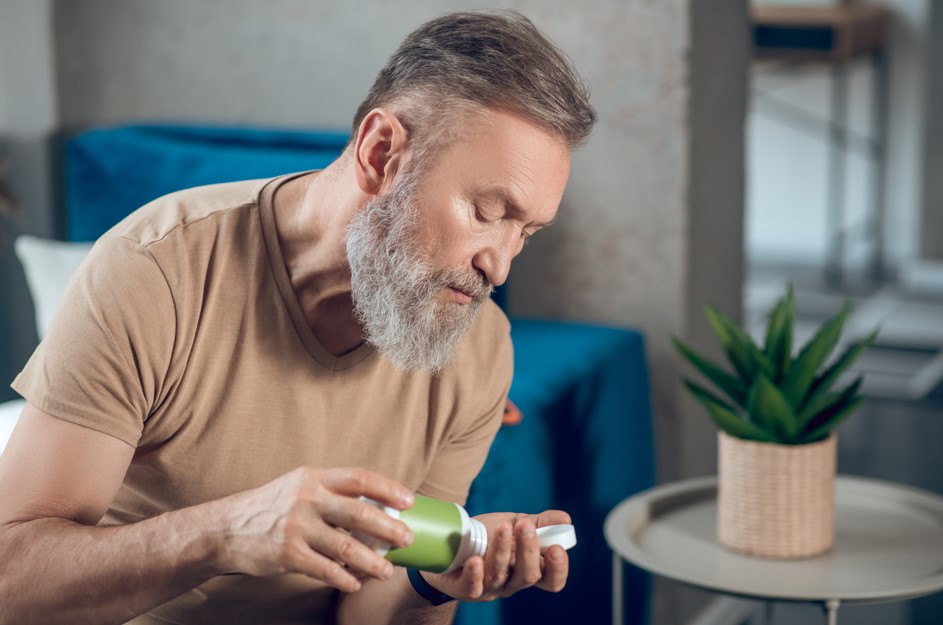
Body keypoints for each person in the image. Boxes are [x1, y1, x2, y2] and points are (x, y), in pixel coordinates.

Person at [0, 9, 595, 625]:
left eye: (526, 231)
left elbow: (367, 606)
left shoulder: (475, 344)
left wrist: (430, 580)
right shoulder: (156, 273)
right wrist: (225, 534)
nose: (499, 266)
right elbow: (11, 583)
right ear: (381, 153)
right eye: (486, 211)